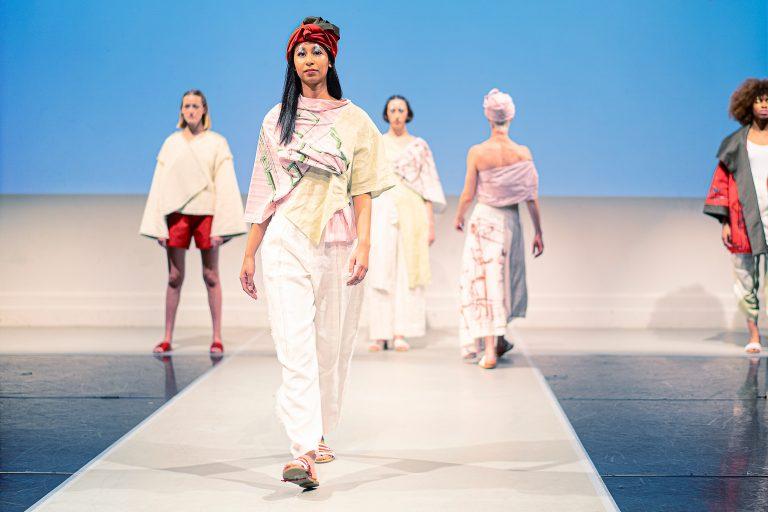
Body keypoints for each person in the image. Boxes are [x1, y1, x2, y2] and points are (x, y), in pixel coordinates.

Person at [239, 17, 394, 489]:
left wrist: (365, 243)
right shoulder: (275, 120)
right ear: (292, 62)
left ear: (331, 59)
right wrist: (249, 253)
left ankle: (320, 428)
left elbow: (363, 189)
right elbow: (264, 188)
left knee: (332, 343)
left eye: (316, 52)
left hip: (338, 240)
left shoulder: (356, 120)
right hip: (286, 237)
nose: (309, 60)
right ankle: (302, 452)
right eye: (301, 53)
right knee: (294, 345)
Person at [140, 89, 246, 355]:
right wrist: (158, 225)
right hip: (176, 214)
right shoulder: (171, 143)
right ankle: (167, 336)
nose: (190, 110)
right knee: (174, 276)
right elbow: (159, 185)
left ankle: (217, 337)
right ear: (181, 110)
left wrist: (223, 226)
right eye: (186, 106)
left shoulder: (217, 143)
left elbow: (225, 185)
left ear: (204, 110)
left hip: (207, 214)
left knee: (211, 275)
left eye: (195, 106)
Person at [454, 88, 544, 369]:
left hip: (485, 219)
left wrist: (459, 215)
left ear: (488, 117)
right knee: (502, 279)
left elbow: (468, 193)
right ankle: (498, 340)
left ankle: (491, 349)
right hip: (510, 221)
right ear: (511, 116)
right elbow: (531, 197)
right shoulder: (522, 153)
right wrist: (539, 231)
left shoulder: (478, 152)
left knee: (484, 279)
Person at [366, 95, 446, 352]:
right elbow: (367, 181)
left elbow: (428, 185)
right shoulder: (377, 143)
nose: (397, 114)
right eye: (392, 110)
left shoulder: (419, 147)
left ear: (408, 114)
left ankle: (401, 331)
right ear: (386, 114)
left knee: (407, 270)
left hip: (412, 211)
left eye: (401, 110)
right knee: (381, 268)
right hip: (382, 208)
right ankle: (379, 333)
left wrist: (430, 223)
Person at [704, 78, 768, 354]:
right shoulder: (735, 143)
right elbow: (721, 182)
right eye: (759, 100)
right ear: (748, 104)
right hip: (744, 217)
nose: (764, 105)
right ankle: (753, 334)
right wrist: (725, 221)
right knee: (745, 279)